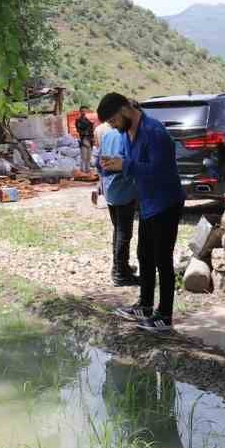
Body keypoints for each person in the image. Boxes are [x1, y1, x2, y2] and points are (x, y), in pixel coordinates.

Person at [97, 93, 184, 335]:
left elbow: (160, 171)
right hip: (147, 202)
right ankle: (145, 306)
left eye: (114, 121)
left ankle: (164, 315)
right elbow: (130, 165)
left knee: (162, 259)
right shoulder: (126, 133)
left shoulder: (154, 132)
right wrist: (112, 164)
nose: (114, 127)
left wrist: (124, 165)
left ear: (125, 110)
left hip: (166, 202)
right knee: (144, 255)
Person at [97, 112, 140, 286]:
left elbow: (98, 161)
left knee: (118, 231)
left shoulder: (107, 135)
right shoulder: (127, 136)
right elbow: (129, 163)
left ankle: (119, 268)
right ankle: (121, 274)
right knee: (124, 233)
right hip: (124, 189)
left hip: (110, 189)